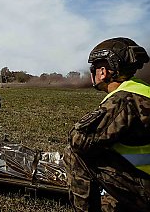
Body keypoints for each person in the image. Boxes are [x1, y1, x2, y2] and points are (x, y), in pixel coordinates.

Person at [63, 37, 150, 211]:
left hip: (145, 190)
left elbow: (79, 139)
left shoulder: (122, 100)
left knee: (76, 153)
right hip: (142, 178)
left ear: (103, 72)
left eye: (94, 68)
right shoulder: (142, 90)